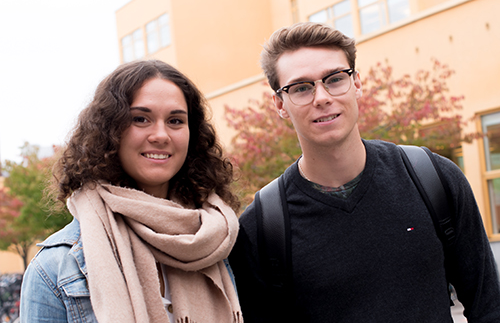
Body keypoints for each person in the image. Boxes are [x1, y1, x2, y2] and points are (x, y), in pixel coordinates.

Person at [228, 22, 500, 322]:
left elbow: (489, 307)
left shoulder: (432, 179)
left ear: (356, 84)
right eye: (301, 88)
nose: (321, 97)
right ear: (280, 103)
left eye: (334, 79)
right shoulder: (261, 228)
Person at [20, 60, 243, 323]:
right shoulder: (54, 268)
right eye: (140, 119)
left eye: (175, 120)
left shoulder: (220, 240)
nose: (160, 135)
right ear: (110, 131)